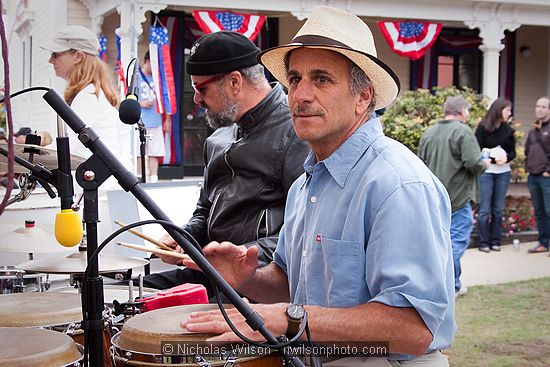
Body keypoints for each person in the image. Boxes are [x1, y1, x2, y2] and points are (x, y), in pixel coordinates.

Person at [181, 7, 455, 366]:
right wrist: (248, 279)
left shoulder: (397, 184)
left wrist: (290, 317)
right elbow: (290, 279)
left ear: (363, 97)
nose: (301, 95)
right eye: (294, 79)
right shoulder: (306, 185)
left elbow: (415, 328)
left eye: (322, 79)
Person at [143, 31, 310, 294]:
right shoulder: (219, 137)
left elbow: (305, 230)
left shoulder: (296, 133)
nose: (196, 99)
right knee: (121, 294)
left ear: (234, 82)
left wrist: (241, 256)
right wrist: (184, 239)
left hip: (258, 284)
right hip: (207, 272)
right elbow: (204, 210)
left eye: (201, 88)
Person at [41, 25, 133, 180]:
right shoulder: (92, 94)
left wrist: (27, 154)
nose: (50, 60)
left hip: (99, 192)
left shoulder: (88, 96)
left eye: (55, 54)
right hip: (103, 188)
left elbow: (66, 149)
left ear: (78, 56)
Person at [419, 95, 487, 297]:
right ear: (462, 111)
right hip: (457, 198)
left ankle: (440, 284)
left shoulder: (429, 132)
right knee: (455, 244)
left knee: (438, 244)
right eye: (467, 111)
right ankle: (451, 286)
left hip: (432, 199)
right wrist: (486, 164)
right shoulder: (463, 131)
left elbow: (419, 164)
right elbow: (473, 162)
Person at [475, 98, 516, 252]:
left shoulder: (508, 130)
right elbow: (477, 148)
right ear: (499, 111)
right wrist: (492, 158)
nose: (510, 113)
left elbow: (512, 151)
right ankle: (483, 242)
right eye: (507, 110)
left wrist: (506, 158)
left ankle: (495, 240)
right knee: (485, 208)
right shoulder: (483, 128)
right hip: (487, 172)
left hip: (503, 172)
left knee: (498, 209)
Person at [137, 51, 171, 183]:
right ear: (147, 61)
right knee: (139, 153)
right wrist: (141, 103)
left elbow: (167, 98)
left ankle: (154, 179)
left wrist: (167, 119)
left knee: (154, 151)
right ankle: (139, 178)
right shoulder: (137, 76)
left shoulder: (158, 78)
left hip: (155, 120)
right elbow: (126, 99)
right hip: (139, 121)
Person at [524, 96, 550, 254]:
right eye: (537, 106)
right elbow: (527, 150)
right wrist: (527, 167)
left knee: (549, 210)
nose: (539, 109)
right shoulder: (533, 130)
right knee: (539, 211)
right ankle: (543, 242)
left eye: (543, 106)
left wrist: (548, 170)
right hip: (533, 176)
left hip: (546, 176)